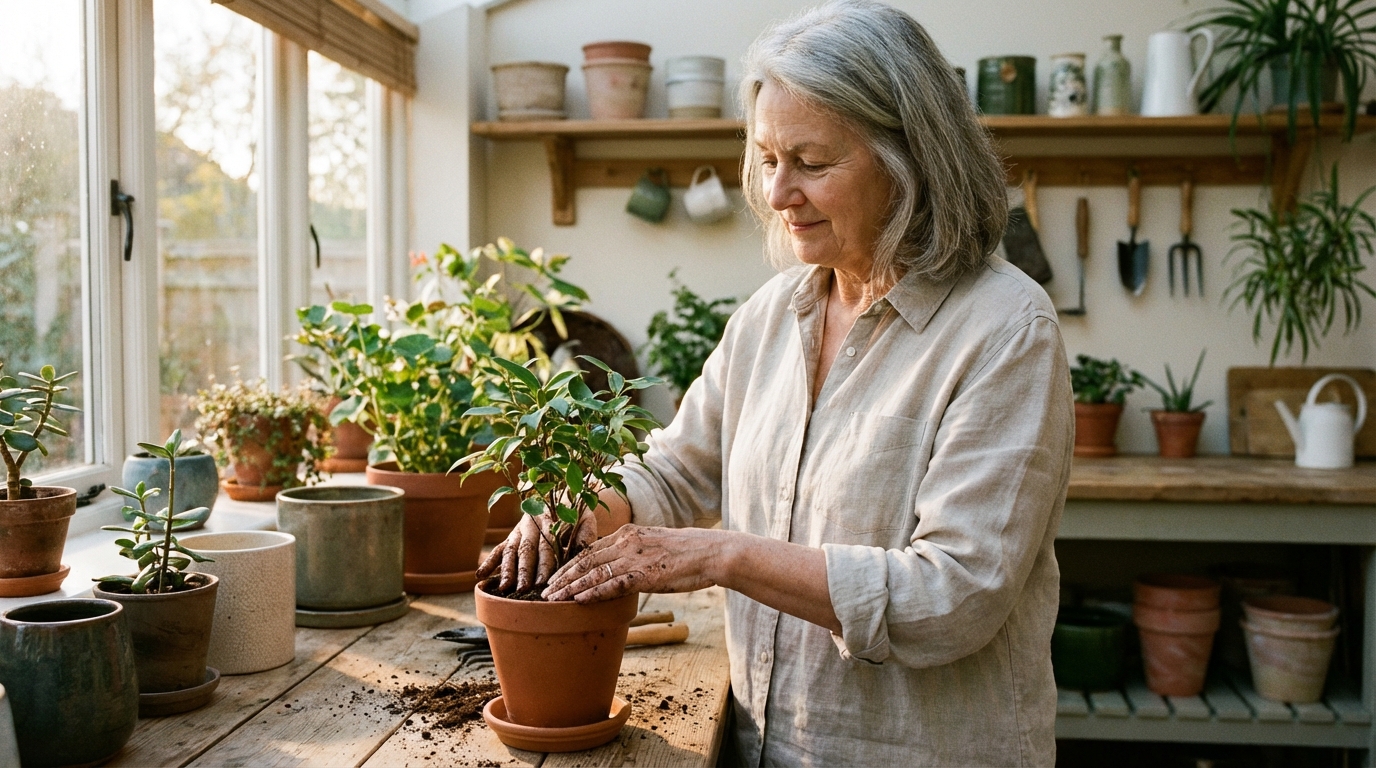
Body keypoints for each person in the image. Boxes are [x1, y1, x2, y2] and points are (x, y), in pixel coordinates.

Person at [476, 1, 1072, 764]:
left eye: (813, 162)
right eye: (766, 159)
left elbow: (952, 598)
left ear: (911, 160)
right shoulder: (772, 315)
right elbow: (679, 467)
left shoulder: (1005, 329)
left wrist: (726, 556)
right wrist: (583, 507)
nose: (778, 191)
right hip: (763, 742)